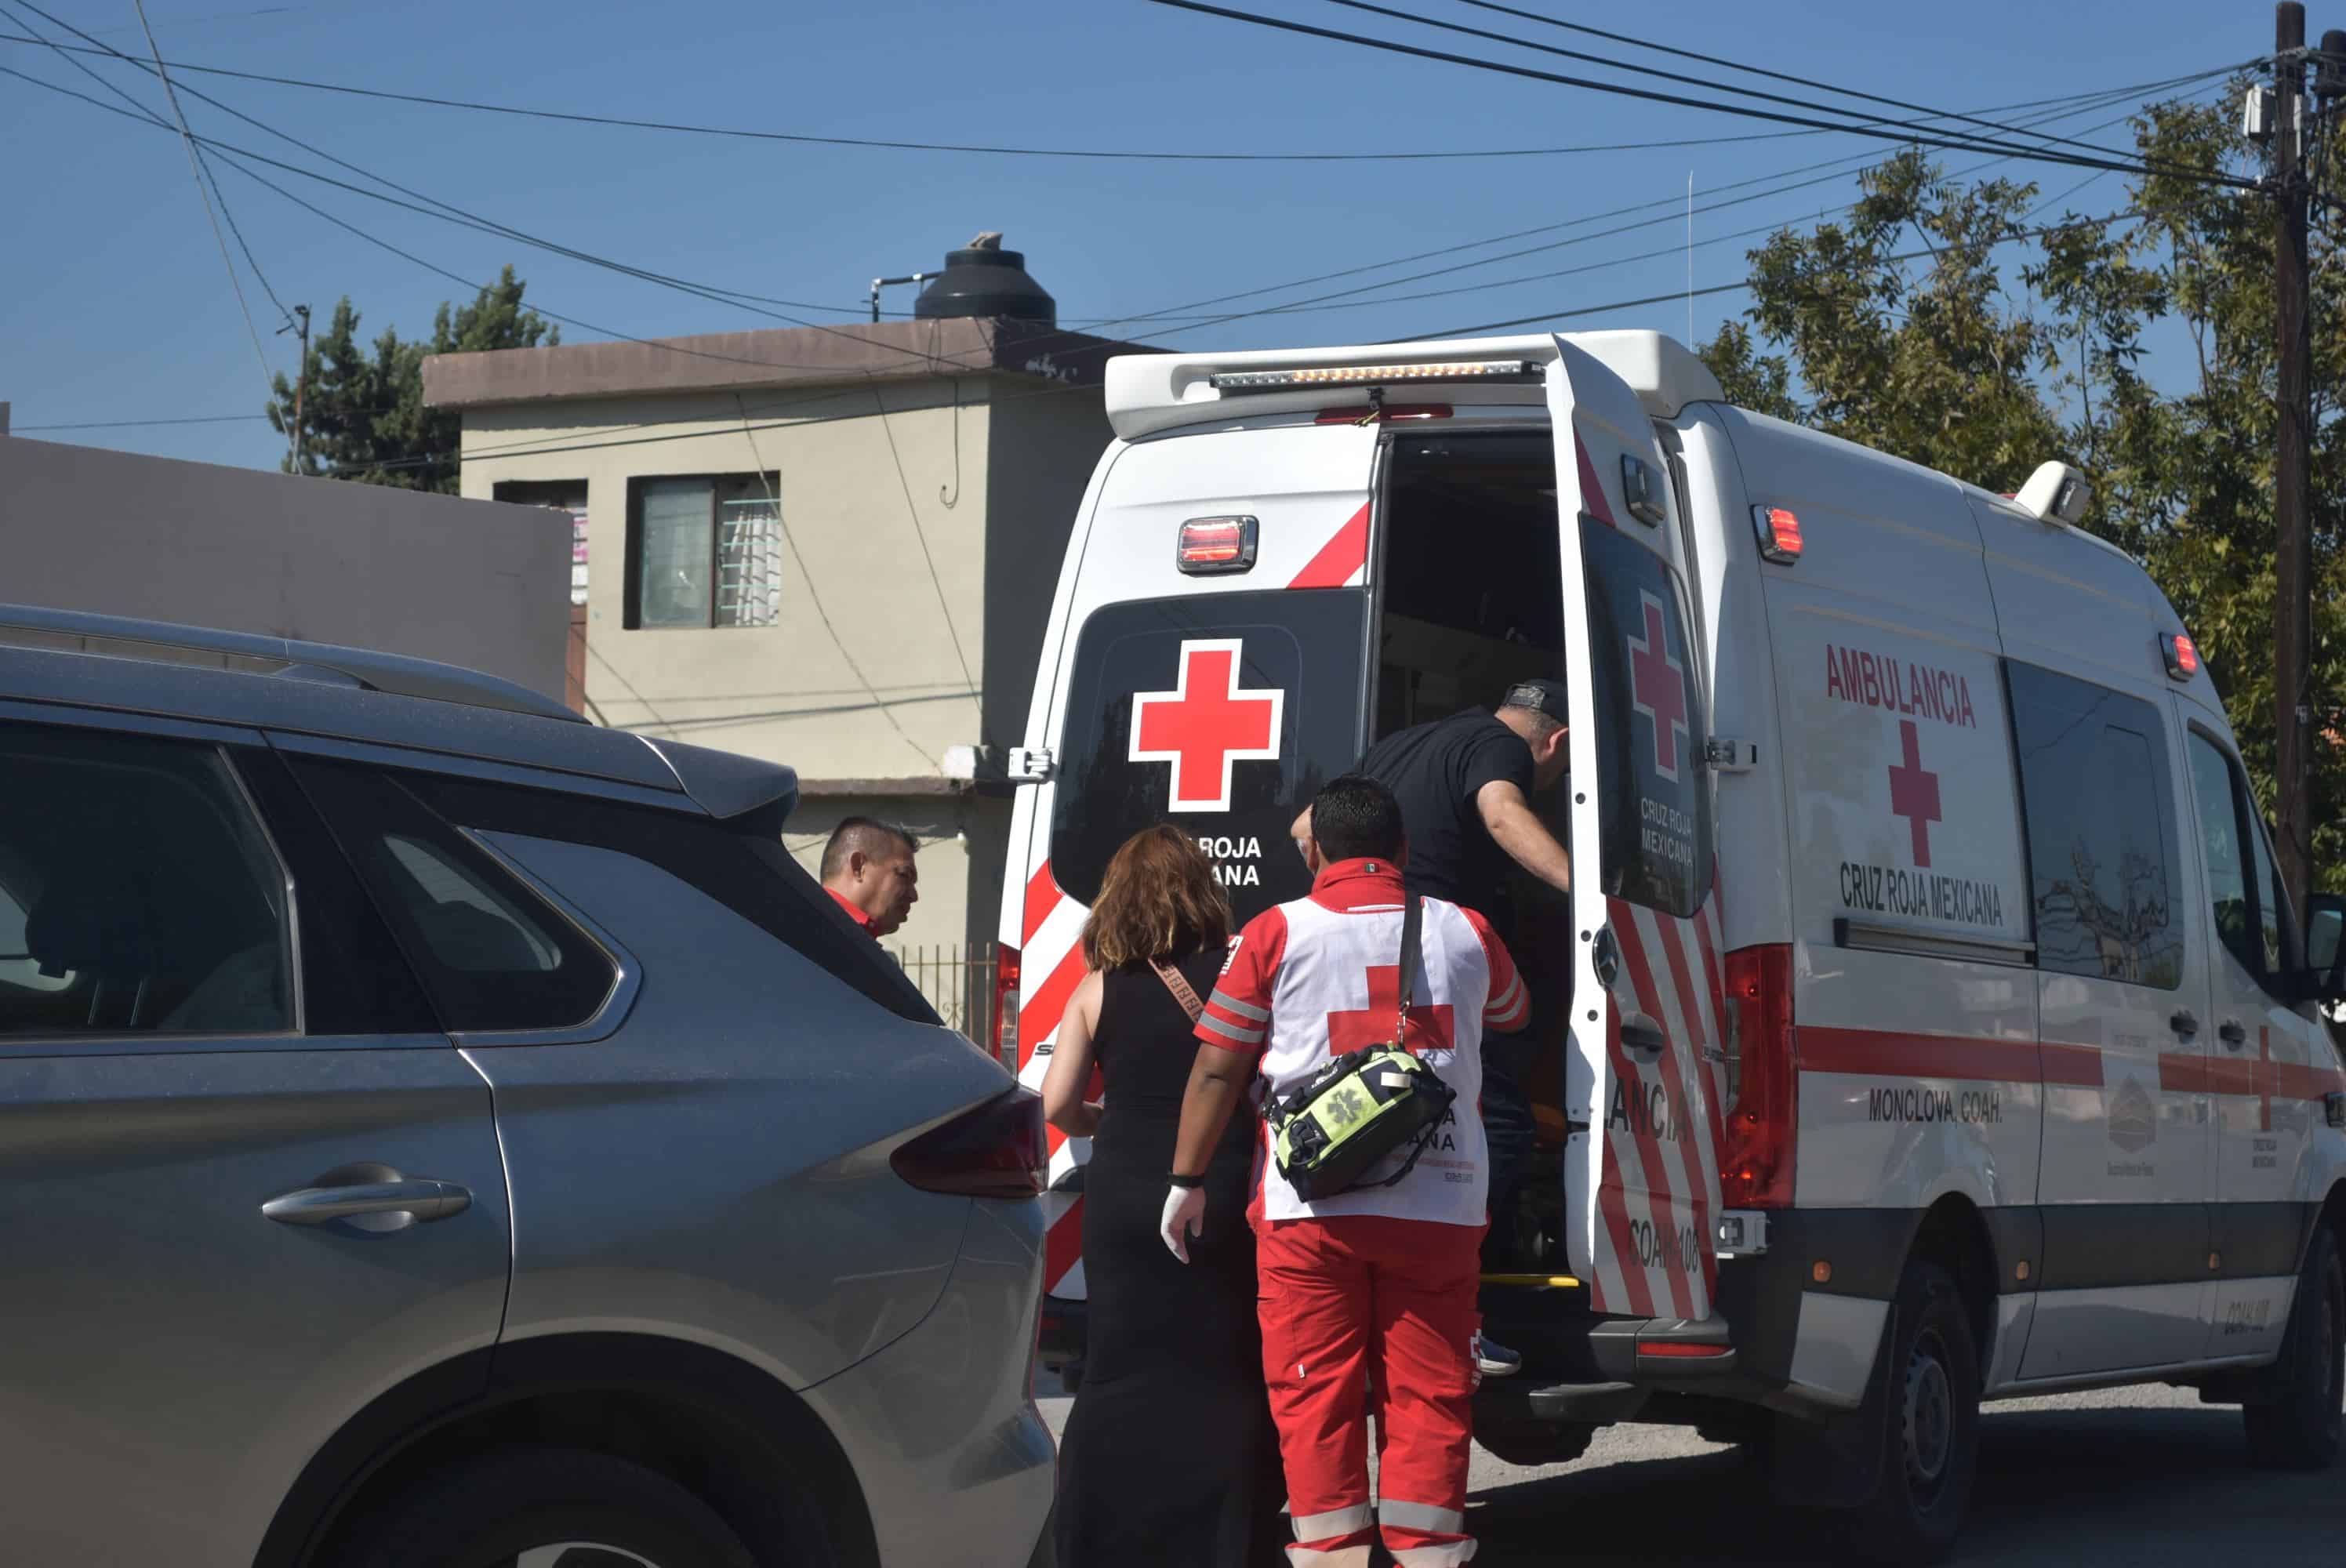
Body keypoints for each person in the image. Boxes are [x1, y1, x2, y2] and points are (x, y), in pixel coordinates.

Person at [1164, 775, 1529, 1568]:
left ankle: (1331, 1553)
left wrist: (1186, 1176)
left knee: (1313, 1391)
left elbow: (1218, 1069)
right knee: (1430, 1391)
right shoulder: (1465, 928)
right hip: (1441, 1201)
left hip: (1310, 1207)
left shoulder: (1274, 931)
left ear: (1316, 851)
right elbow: (1512, 1011)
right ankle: (1427, 1551)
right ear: (1401, 849)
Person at [1296, 677, 1573, 1376]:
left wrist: (1336, 902)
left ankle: (1378, 1303)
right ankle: (1454, 1317)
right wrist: (1590, 889)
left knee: (1371, 1123)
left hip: (1350, 960)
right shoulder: (1499, 751)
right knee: (1499, 1128)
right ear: (1557, 742)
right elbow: (1505, 817)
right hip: (1429, 962)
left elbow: (1305, 829)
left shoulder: (1400, 744)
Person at [1040, 826, 1286, 1567]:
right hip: (1218, 1186)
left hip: (1123, 1195)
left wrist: (1114, 1122)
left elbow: (1056, 1106)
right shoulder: (1243, 975)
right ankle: (1223, 1539)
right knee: (1224, 1364)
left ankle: (1100, 1539)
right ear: (1201, 891)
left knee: (1119, 1366)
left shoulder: (1097, 989)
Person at [818, 818, 919, 938]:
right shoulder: (809, 931)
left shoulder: (848, 937)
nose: (914, 897)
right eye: (904, 875)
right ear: (859, 867)